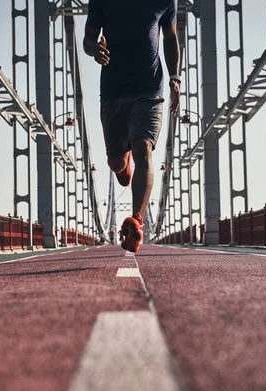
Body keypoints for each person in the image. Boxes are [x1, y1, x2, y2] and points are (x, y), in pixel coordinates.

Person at [83, 0, 181, 253]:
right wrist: (95, 49)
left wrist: (175, 79)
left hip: (150, 89)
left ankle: (136, 222)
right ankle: (122, 166)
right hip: (113, 91)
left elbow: (170, 38)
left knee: (143, 148)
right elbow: (88, 39)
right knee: (116, 162)